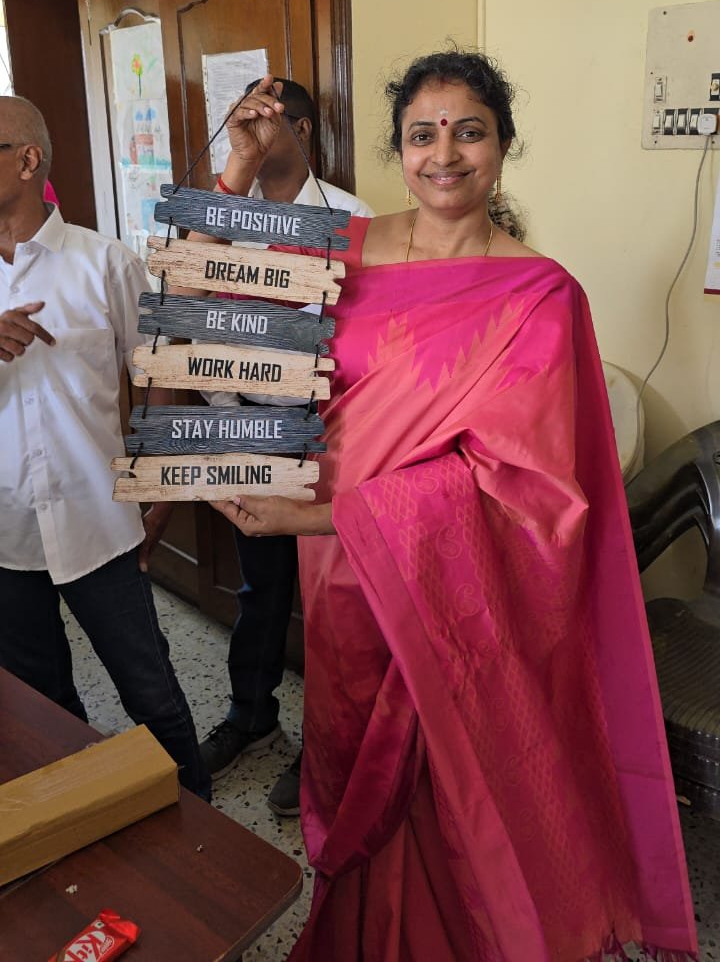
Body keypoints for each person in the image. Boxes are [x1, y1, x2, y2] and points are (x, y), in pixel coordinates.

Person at [207, 53, 696, 960]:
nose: (445, 155)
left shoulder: (539, 294)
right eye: (422, 135)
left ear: (503, 146)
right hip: (343, 579)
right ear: (398, 150)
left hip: (449, 579)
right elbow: (201, 296)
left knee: (448, 782)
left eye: (469, 132)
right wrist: (238, 166)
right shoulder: (344, 247)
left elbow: (527, 490)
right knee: (349, 752)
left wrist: (314, 517)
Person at [0, 95, 210, 800]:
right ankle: (83, 837)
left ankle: (201, 837)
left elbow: (160, 372)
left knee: (153, 699)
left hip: (99, 524)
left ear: (27, 161)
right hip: (5, 535)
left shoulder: (104, 263)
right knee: (43, 711)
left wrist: (159, 486)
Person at [196, 77, 373, 816]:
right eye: (239, 121)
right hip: (248, 424)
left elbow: (365, 349)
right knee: (260, 589)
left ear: (301, 129)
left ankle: (325, 747)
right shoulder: (222, 222)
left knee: (334, 605)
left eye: (263, 121)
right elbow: (198, 324)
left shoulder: (353, 221)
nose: (248, 133)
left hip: (330, 434)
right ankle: (250, 715)